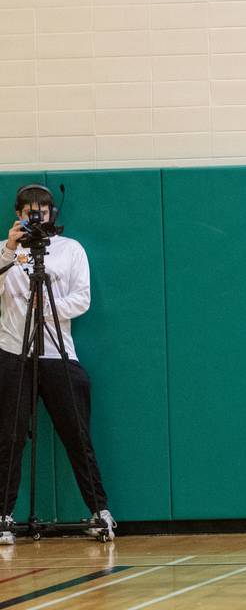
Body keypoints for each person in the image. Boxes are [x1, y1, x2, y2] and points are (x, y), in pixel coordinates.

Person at [0, 185, 115, 544]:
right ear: (19, 213)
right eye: (29, 211)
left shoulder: (70, 250)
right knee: (9, 438)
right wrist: (10, 248)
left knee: (77, 436)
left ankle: (100, 511)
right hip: (12, 352)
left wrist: (45, 308)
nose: (37, 217)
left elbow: (82, 298)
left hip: (56, 352)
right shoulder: (5, 251)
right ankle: (3, 515)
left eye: (43, 211)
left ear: (53, 213)